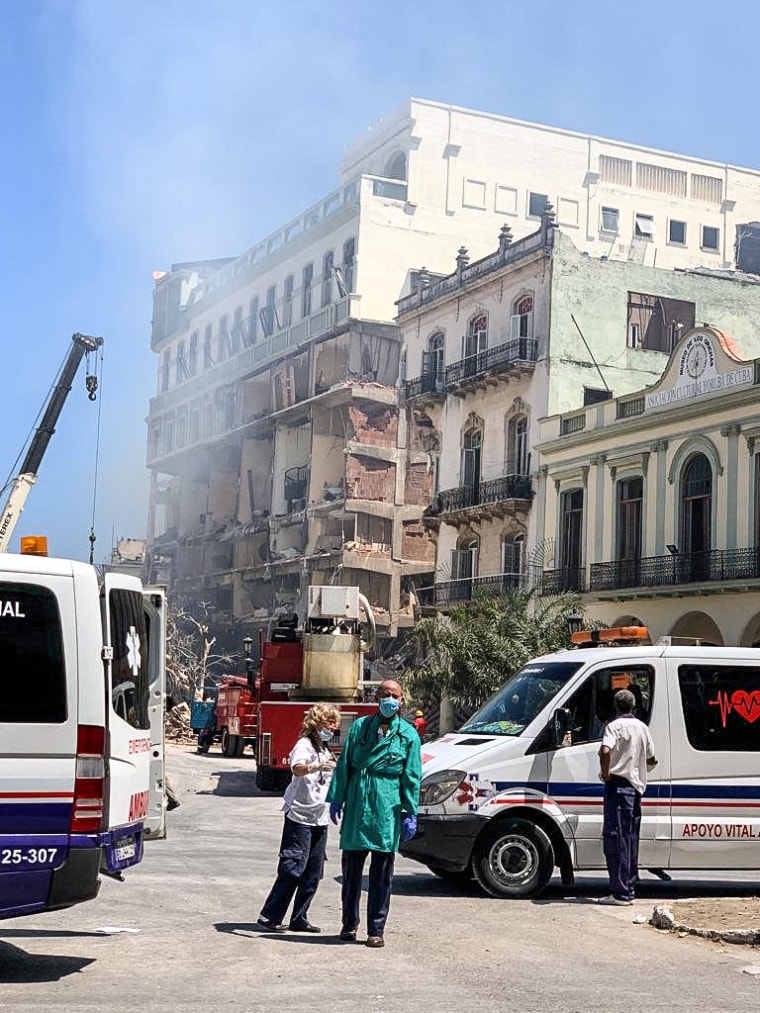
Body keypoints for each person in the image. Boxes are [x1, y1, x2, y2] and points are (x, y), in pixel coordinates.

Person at [326, 679, 422, 948]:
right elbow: (344, 764)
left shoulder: (408, 734)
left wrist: (409, 811)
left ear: (401, 701)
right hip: (359, 800)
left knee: (381, 873)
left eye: (395, 695)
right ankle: (349, 923)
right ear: (376, 698)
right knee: (351, 870)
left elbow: (412, 775)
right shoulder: (360, 727)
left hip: (387, 805)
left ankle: (376, 929)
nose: (390, 699)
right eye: (385, 694)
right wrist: (337, 797)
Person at [257, 703, 341, 933]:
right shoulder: (304, 745)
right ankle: (270, 915)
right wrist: (317, 765)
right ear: (316, 723)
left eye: (335, 723)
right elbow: (297, 769)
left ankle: (299, 917)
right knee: (293, 867)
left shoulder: (325, 748)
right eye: (329, 722)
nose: (332, 727)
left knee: (313, 871)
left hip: (320, 818)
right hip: (300, 816)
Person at [598, 688, 657, 906]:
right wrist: (638, 766)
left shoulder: (613, 726)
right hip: (635, 789)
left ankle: (621, 893)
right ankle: (629, 887)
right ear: (633, 706)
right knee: (631, 839)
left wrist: (606, 773)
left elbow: (605, 751)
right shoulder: (643, 727)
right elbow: (652, 759)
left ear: (616, 706)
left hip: (617, 787)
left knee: (616, 839)